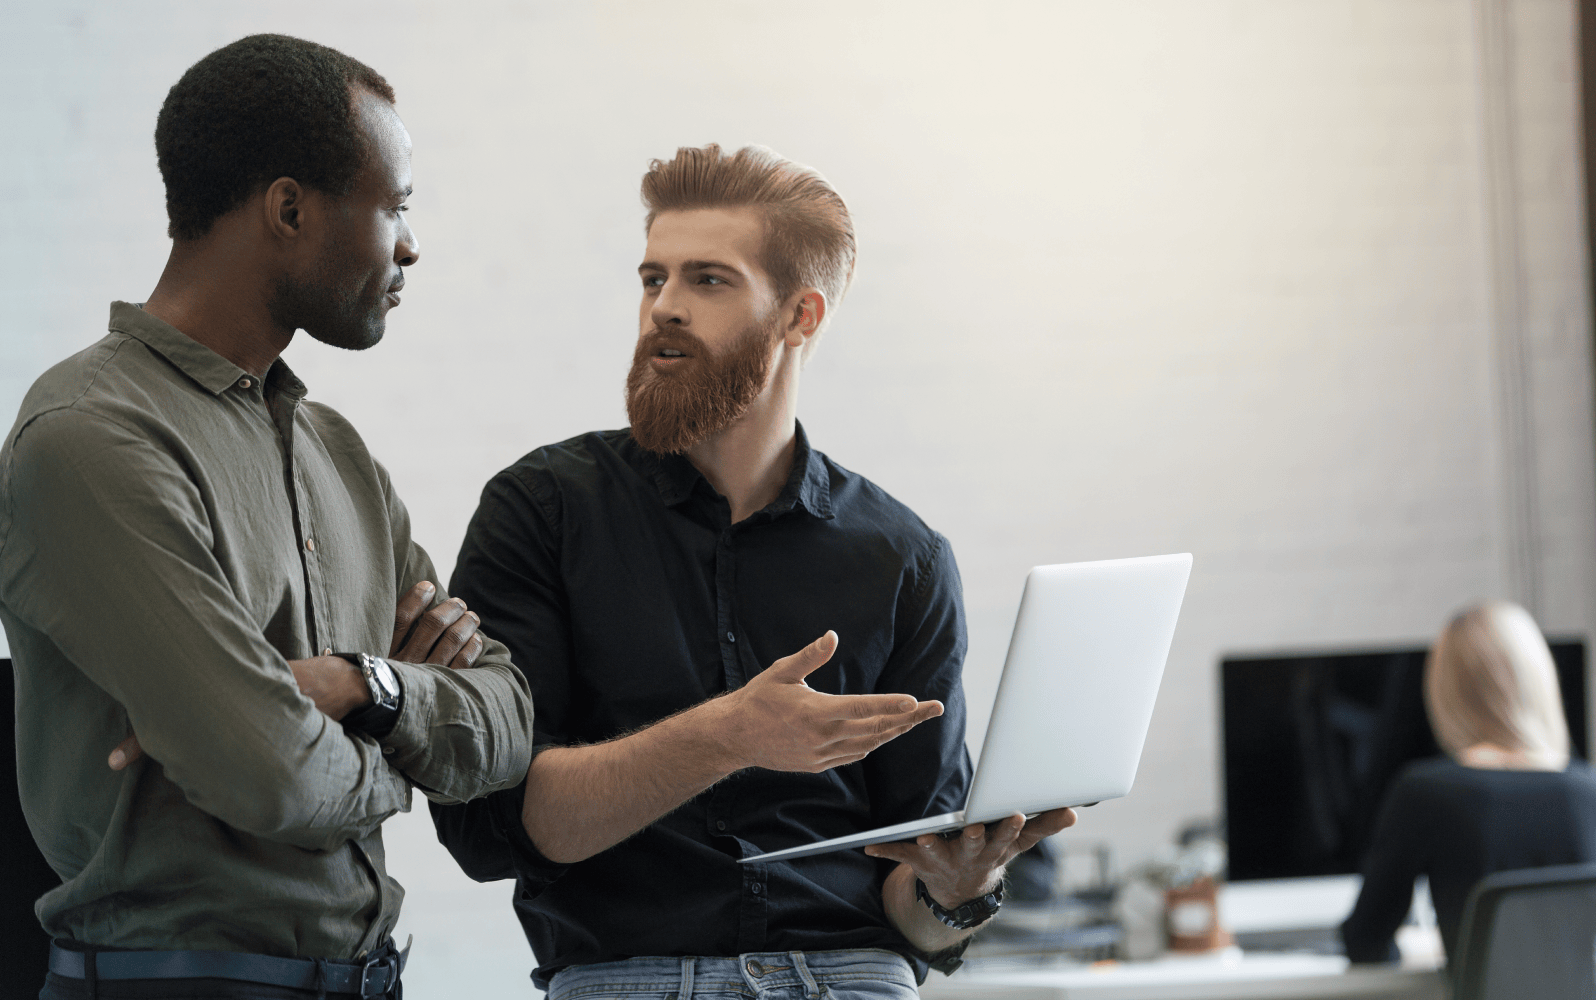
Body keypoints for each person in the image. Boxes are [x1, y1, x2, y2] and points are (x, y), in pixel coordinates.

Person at [430, 144, 1075, 1000]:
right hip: (632, 979)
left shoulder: (903, 557)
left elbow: (912, 903)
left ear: (799, 317)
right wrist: (731, 734)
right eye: (652, 278)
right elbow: (499, 827)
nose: (663, 308)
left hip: (853, 975)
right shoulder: (543, 510)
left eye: (707, 281)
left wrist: (960, 893)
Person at [0, 34, 533, 999]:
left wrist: (359, 688)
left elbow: (509, 722)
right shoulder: (90, 438)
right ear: (289, 209)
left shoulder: (339, 455)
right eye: (395, 206)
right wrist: (407, 745)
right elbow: (272, 775)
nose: (411, 243)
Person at [1340, 601, 1596, 964]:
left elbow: (1364, 941)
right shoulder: (1588, 790)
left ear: (1446, 691)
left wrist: (1422, 947)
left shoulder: (1426, 793)